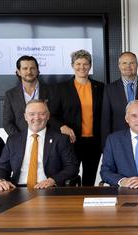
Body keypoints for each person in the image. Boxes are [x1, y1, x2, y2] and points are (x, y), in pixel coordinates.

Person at [0, 100, 78, 191]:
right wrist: (0, 180)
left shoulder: (61, 139)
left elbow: (72, 167)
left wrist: (53, 180)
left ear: (48, 116)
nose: (37, 118)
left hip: (48, 189)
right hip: (17, 189)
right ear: (25, 117)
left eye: (41, 114)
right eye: (32, 114)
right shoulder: (13, 140)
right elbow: (1, 167)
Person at [49, 50, 104, 186]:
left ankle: (87, 204)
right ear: (72, 65)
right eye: (78, 63)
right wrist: (62, 127)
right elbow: (50, 115)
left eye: (85, 64)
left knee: (89, 180)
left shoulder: (100, 87)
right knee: (69, 178)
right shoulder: (61, 88)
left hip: (94, 142)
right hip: (71, 141)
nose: (82, 67)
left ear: (90, 66)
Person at [101, 51, 138, 146]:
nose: (128, 66)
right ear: (119, 66)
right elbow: (106, 120)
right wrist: (106, 146)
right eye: (124, 63)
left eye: (132, 63)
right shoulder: (109, 89)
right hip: (118, 140)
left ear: (137, 65)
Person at [3, 55, 54, 136]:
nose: (29, 72)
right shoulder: (10, 95)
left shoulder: (52, 91)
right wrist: (19, 139)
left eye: (32, 68)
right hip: (20, 142)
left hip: (48, 139)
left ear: (37, 70)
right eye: (25, 68)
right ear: (18, 71)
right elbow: (7, 123)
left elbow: (56, 117)